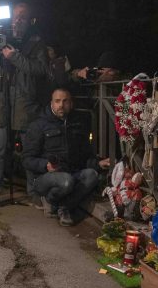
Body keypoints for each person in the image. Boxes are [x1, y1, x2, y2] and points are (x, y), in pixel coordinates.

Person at [0, 2, 49, 211]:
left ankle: (34, 193)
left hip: (25, 104)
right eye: (15, 16)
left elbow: (41, 70)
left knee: (30, 151)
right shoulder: (0, 39)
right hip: (0, 103)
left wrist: (15, 57)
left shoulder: (36, 43)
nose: (18, 20)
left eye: (23, 17)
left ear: (30, 21)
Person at [23, 88, 110, 226]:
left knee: (92, 175)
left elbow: (84, 156)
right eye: (57, 101)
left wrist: (98, 163)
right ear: (51, 103)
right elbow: (27, 159)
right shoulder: (39, 125)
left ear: (71, 103)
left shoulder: (77, 124)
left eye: (65, 101)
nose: (61, 105)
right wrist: (46, 165)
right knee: (66, 181)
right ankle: (49, 199)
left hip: (71, 172)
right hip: (45, 177)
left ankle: (64, 207)